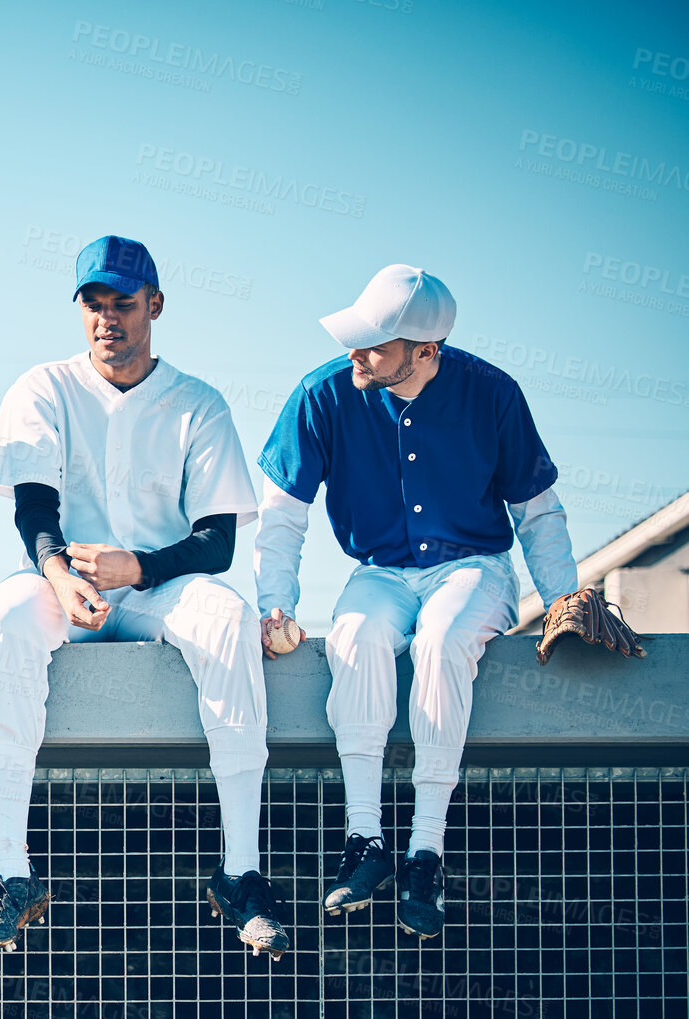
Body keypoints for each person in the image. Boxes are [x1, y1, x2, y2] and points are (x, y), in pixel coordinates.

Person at [0, 236, 287, 959]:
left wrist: (138, 566)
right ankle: (12, 874)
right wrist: (58, 572)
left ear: (155, 305)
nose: (107, 317)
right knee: (2, 615)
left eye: (122, 302)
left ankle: (241, 872)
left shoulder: (197, 402)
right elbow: (33, 509)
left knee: (230, 614)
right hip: (64, 590)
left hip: (161, 589)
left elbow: (217, 543)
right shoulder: (41, 386)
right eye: (94, 303)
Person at [254, 264, 578, 939]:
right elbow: (281, 515)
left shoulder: (493, 393)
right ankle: (365, 842)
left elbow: (538, 512)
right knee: (355, 636)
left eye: (374, 343)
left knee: (439, 641)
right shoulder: (324, 392)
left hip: (474, 566)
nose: (355, 353)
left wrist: (562, 599)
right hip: (380, 570)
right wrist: (274, 604)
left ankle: (424, 852)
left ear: (425, 351)